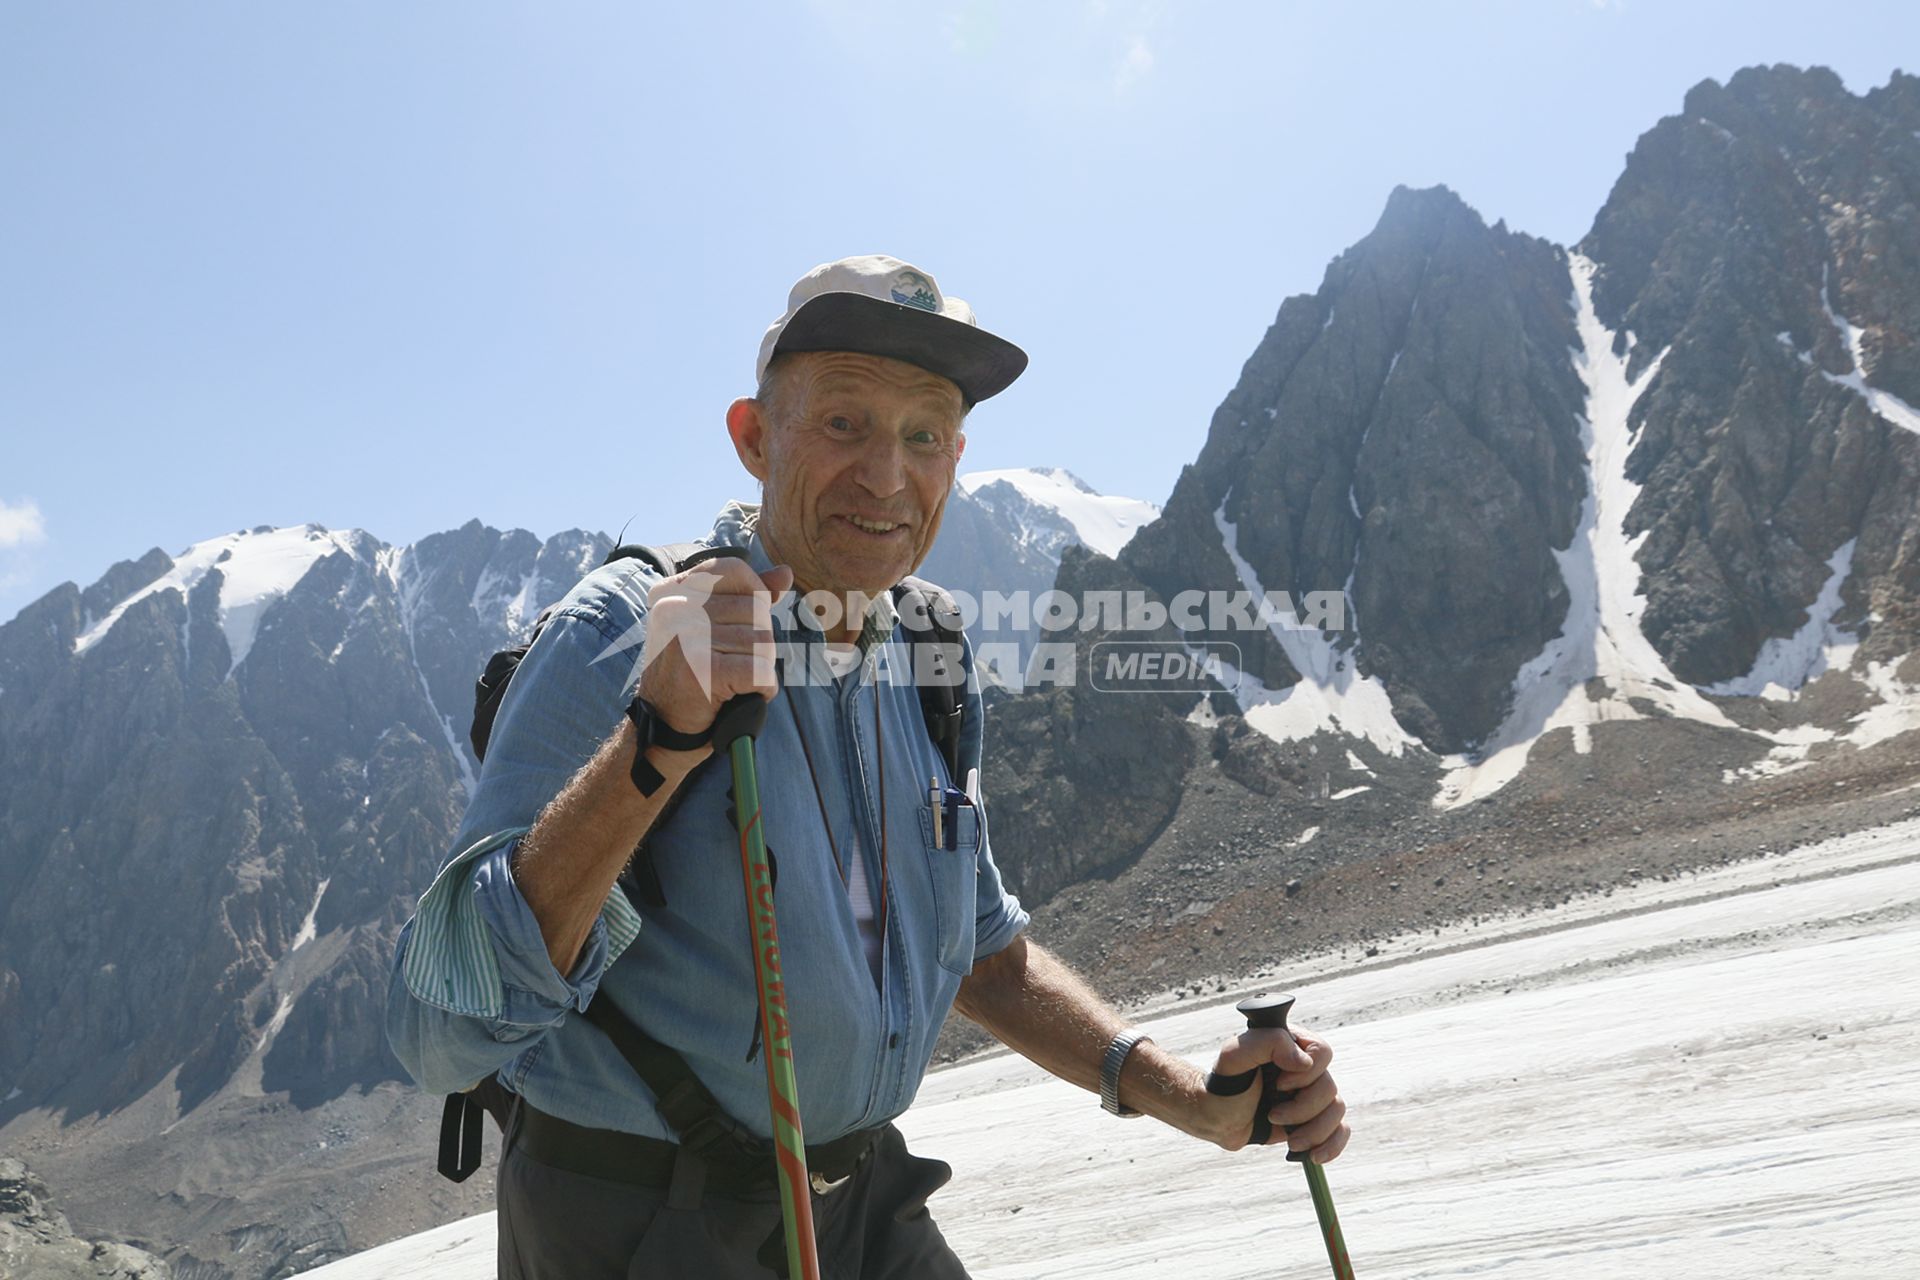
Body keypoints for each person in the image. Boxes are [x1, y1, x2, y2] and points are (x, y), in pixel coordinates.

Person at [385, 254, 1350, 1279]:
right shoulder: (620, 633)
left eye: (923, 435)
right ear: (755, 439)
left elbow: (978, 952)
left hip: (854, 1200)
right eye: (844, 422)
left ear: (957, 456)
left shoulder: (930, 652)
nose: (887, 475)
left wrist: (1190, 1098)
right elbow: (441, 1032)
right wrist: (655, 740)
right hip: (640, 1223)